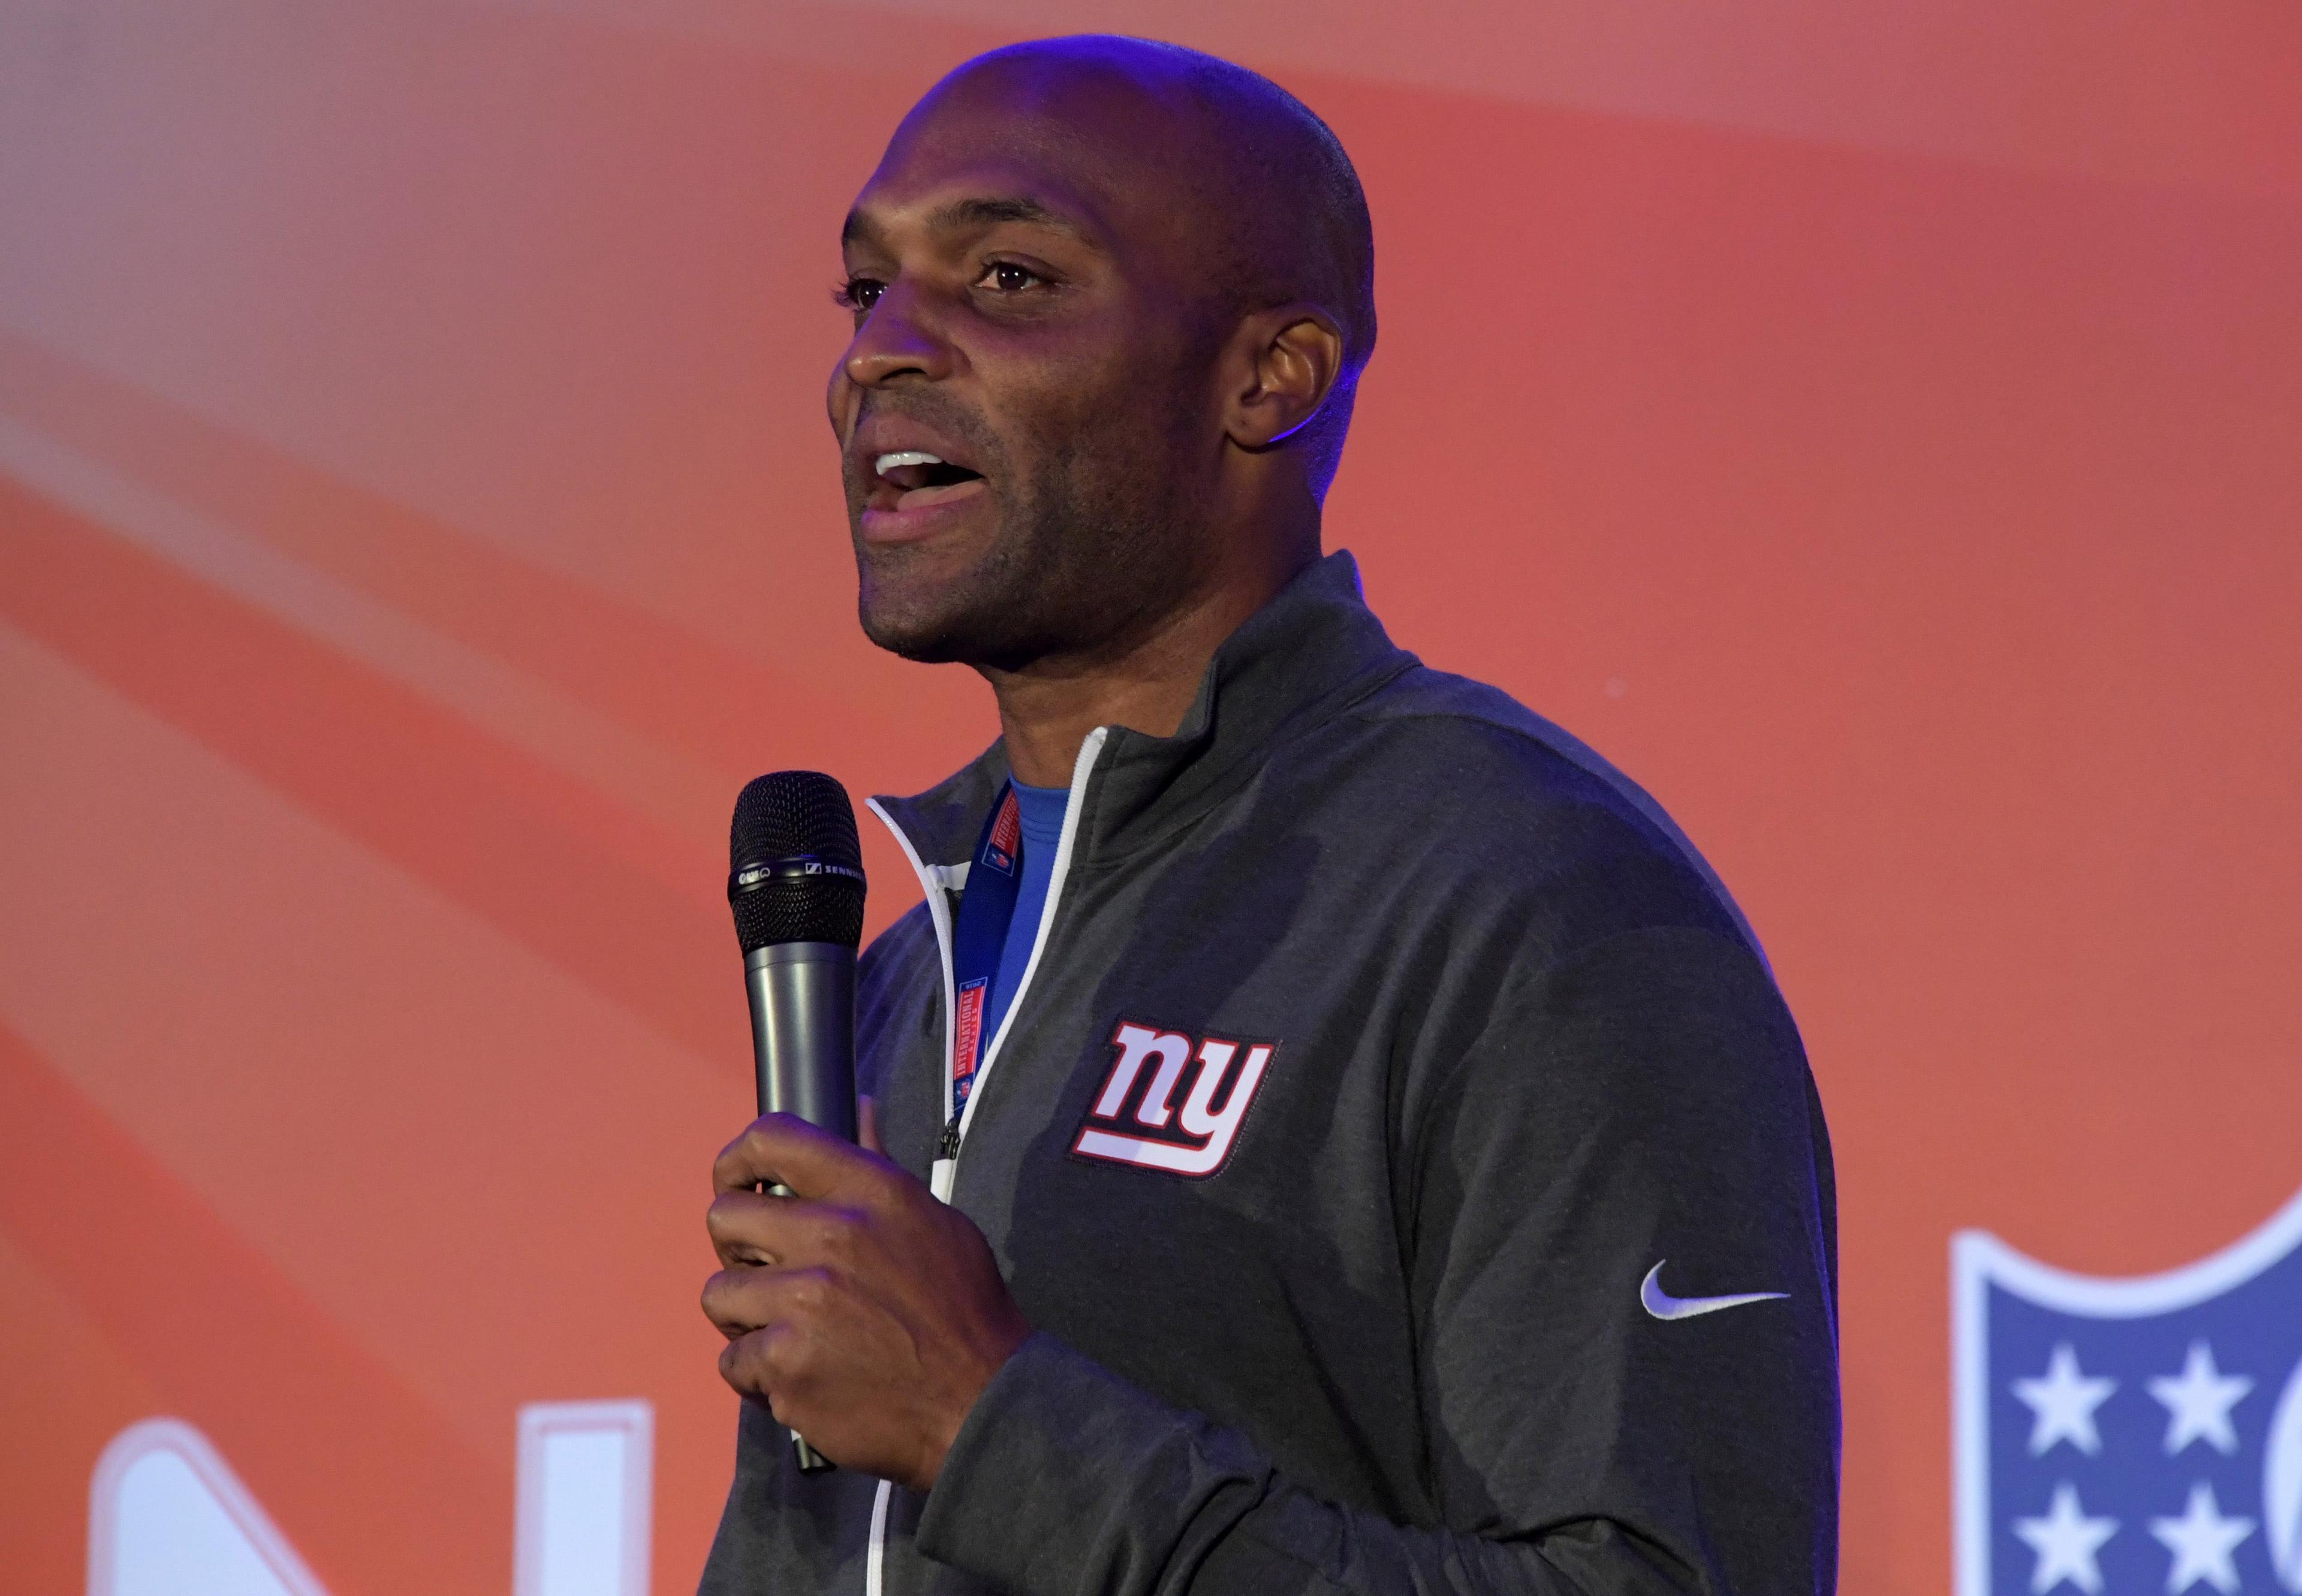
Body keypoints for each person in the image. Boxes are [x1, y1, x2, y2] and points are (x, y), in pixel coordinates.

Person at [699, 34, 1839, 1596]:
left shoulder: (1528, 901)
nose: (879, 352)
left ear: (1268, 378)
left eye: (1009, 278)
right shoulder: (901, 978)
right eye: (864, 290)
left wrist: (986, 1420)